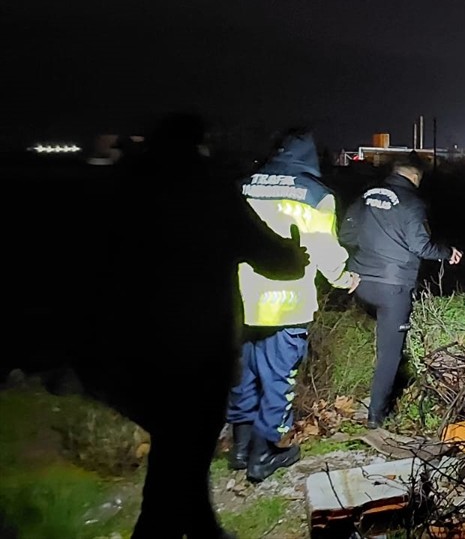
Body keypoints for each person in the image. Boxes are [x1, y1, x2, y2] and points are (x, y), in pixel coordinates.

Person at [55, 112, 310, 538]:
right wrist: (296, 254)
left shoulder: (122, 186)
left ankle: (201, 527)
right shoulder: (208, 191)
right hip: (197, 351)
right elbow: (273, 256)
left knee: (177, 452)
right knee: (183, 451)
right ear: (198, 143)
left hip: (128, 349)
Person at [226, 129, 360, 483]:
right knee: (278, 381)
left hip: (240, 303)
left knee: (244, 376)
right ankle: (264, 455)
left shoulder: (245, 184)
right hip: (285, 304)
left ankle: (239, 451)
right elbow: (325, 251)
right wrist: (344, 278)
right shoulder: (316, 195)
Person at [340, 156, 462, 428]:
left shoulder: (366, 195)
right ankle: (376, 415)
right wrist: (448, 252)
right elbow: (421, 246)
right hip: (392, 287)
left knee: (382, 332)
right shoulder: (413, 203)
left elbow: (346, 235)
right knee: (390, 352)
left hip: (359, 282)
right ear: (416, 177)